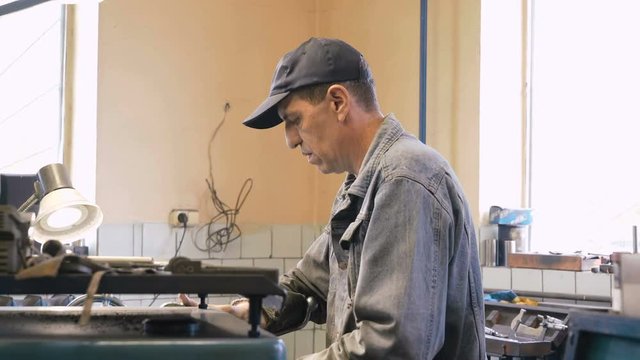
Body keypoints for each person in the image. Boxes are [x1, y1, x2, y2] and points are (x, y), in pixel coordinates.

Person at [184, 37, 486, 359]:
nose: (290, 140)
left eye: (294, 120)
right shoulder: (360, 184)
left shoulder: (404, 179)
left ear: (338, 102)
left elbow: (390, 347)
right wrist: (253, 312)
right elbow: (308, 287)